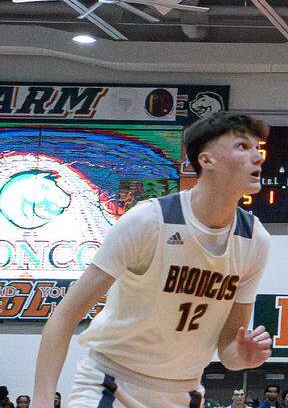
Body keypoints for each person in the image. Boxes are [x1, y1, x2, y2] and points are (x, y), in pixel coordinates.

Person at [32, 112, 274, 408]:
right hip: (111, 383)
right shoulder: (150, 221)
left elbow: (228, 348)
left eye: (257, 148)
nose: (258, 157)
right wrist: (41, 401)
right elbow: (65, 316)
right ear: (206, 160)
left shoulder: (254, 240)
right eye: (242, 146)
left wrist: (243, 356)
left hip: (183, 392)